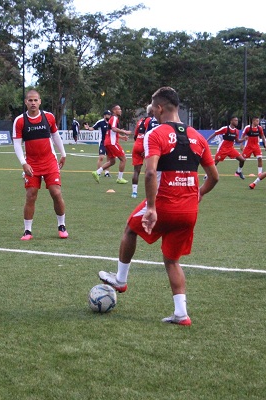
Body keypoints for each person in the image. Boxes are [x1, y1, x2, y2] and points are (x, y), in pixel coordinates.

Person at [98, 86, 219, 326]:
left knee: (130, 229)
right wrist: (199, 194)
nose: (151, 110)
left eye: (153, 106)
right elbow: (214, 177)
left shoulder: (157, 134)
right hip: (188, 211)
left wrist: (151, 207)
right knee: (172, 261)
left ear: (160, 108)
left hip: (164, 204)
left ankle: (121, 280)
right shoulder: (198, 137)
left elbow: (151, 171)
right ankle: (181, 314)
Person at [12, 89, 68, 240]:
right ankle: (27, 231)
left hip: (50, 162)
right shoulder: (20, 121)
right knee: (31, 195)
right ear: (25, 102)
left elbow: (55, 136)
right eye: (30, 100)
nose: (33, 103)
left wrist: (63, 154)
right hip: (32, 164)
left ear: (40, 101)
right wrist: (23, 163)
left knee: (56, 193)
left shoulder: (48, 117)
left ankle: (61, 226)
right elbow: (17, 144)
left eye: (35, 100)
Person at [91, 104, 131, 184]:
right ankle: (119, 178)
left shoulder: (113, 119)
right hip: (112, 143)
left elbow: (111, 132)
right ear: (114, 111)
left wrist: (122, 137)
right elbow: (113, 129)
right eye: (119, 109)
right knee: (123, 159)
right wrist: (124, 131)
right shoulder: (114, 118)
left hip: (108, 142)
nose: (120, 111)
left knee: (112, 161)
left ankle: (97, 172)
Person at [130, 104, 158, 198]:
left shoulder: (140, 120)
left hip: (137, 144)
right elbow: (150, 134)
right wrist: (146, 148)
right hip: (145, 145)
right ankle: (151, 192)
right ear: (152, 111)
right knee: (150, 171)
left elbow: (135, 135)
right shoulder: (152, 120)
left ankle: (134, 193)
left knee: (136, 171)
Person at [84, 110, 112, 178]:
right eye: (108, 115)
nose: (109, 116)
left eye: (110, 114)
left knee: (109, 158)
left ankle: (107, 173)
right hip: (102, 142)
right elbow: (93, 128)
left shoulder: (111, 122)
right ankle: (98, 172)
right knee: (101, 157)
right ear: (105, 115)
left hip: (110, 142)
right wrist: (88, 128)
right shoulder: (100, 122)